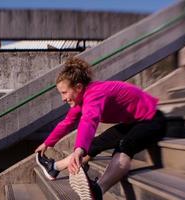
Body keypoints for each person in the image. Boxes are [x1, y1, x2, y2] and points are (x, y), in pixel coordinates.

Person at [35, 57, 166, 200]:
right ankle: (54, 168)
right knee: (96, 142)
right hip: (133, 122)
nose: (62, 98)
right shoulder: (81, 99)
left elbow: (89, 120)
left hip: (153, 120)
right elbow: (67, 122)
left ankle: (98, 191)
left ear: (78, 87)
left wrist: (79, 150)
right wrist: (47, 143)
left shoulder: (95, 93)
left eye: (64, 92)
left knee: (125, 144)